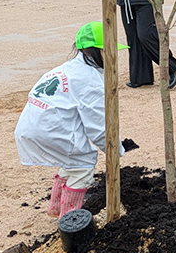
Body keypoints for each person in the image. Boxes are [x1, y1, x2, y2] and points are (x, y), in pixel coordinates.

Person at [15, 22, 126, 218]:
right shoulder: (89, 80)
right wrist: (115, 149)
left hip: (32, 125)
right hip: (51, 129)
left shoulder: (66, 68)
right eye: (109, 50)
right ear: (94, 51)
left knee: (71, 160)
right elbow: (99, 126)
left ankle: (56, 207)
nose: (114, 56)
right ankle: (70, 220)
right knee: (83, 165)